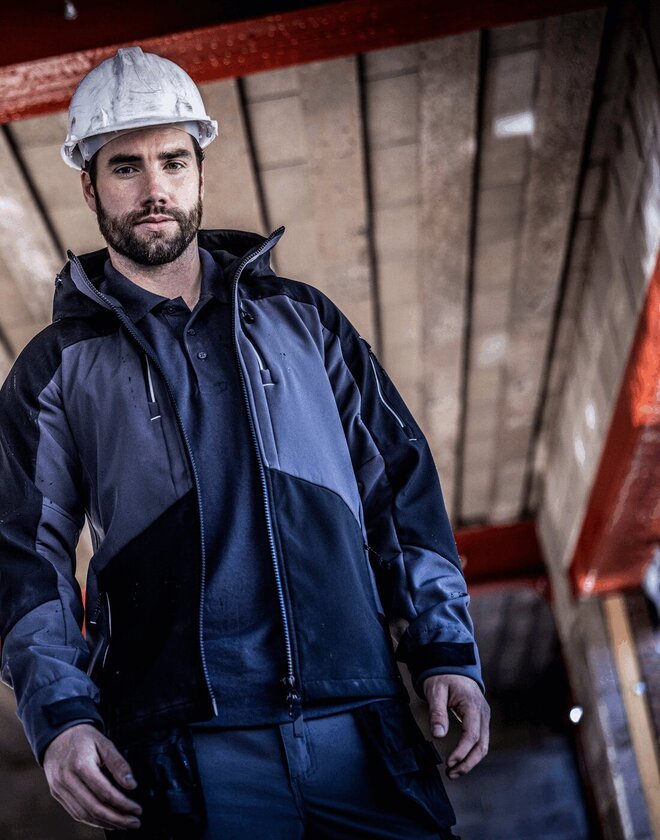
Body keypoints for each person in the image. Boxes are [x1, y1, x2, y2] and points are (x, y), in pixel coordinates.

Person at [0, 47, 489, 839]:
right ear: (89, 186)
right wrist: (60, 715)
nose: (154, 189)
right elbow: (24, 555)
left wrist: (444, 649)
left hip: (360, 721)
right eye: (125, 167)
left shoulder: (306, 321)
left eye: (172, 161)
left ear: (201, 171)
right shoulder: (55, 368)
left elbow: (399, 490)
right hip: (189, 746)